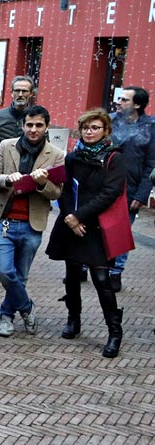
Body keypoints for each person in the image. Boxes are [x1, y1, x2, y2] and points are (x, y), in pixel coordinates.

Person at [45, 108, 126, 358]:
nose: (89, 132)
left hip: (97, 225)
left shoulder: (114, 158)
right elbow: (66, 189)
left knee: (102, 280)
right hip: (72, 224)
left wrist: (80, 216)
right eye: (85, 128)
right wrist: (70, 217)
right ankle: (74, 320)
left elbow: (110, 193)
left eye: (95, 128)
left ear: (106, 131)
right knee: (71, 276)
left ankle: (114, 332)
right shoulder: (73, 157)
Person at [0, 105, 64, 337]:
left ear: (46, 127)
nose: (33, 129)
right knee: (4, 270)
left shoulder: (56, 154)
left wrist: (41, 183)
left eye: (39, 125)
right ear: (22, 125)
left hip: (33, 223)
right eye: (29, 125)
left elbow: (57, 193)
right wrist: (6, 179)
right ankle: (27, 307)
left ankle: (6, 317)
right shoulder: (6, 146)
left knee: (21, 275)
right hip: (5, 219)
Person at [0, 75, 38, 284]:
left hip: (27, 180)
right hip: (1, 177)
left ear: (31, 94)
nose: (20, 94)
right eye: (17, 90)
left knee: (22, 221)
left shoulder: (36, 119)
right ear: (11, 92)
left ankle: (11, 262)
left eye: (25, 91)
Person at [107, 86, 155, 292]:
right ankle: (84, 266)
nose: (119, 102)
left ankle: (115, 272)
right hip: (104, 185)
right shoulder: (108, 121)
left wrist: (142, 194)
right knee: (93, 227)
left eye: (124, 100)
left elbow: (151, 164)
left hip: (130, 189)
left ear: (137, 105)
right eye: (119, 98)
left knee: (122, 233)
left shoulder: (150, 127)